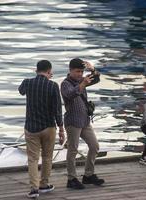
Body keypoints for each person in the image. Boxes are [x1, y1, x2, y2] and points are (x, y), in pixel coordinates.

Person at [18, 60, 65, 198]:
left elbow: (21, 91)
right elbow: (57, 109)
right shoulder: (53, 85)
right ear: (49, 71)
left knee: (32, 159)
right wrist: (61, 128)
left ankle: (34, 189)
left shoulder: (27, 82)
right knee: (47, 157)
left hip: (31, 127)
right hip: (48, 127)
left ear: (36, 70)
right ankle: (44, 184)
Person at [61, 58, 104, 190]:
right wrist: (82, 84)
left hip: (84, 121)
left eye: (81, 71)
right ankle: (71, 178)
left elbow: (96, 79)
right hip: (73, 121)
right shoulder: (65, 83)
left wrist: (92, 70)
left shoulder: (82, 80)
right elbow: (70, 95)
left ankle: (88, 175)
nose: (80, 74)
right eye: (77, 71)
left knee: (95, 146)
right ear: (70, 70)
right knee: (73, 150)